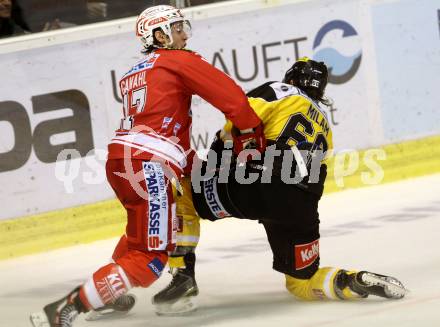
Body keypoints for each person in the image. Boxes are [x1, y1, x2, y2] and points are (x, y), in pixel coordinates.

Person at [29, 5, 265, 327]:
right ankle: (67, 308)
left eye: (184, 26)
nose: (184, 34)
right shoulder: (179, 60)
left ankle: (111, 294)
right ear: (158, 34)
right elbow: (235, 101)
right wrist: (251, 134)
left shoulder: (133, 73)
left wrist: (192, 166)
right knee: (151, 258)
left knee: (141, 236)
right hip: (149, 165)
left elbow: (160, 128)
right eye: (177, 27)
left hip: (123, 160)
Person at [147, 57, 407, 315]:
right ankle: (352, 281)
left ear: (292, 78)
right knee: (302, 283)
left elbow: (240, 119)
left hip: (261, 184)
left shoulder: (280, 90)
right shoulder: (325, 126)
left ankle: (182, 277)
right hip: (301, 204)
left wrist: (217, 151)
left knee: (180, 189)